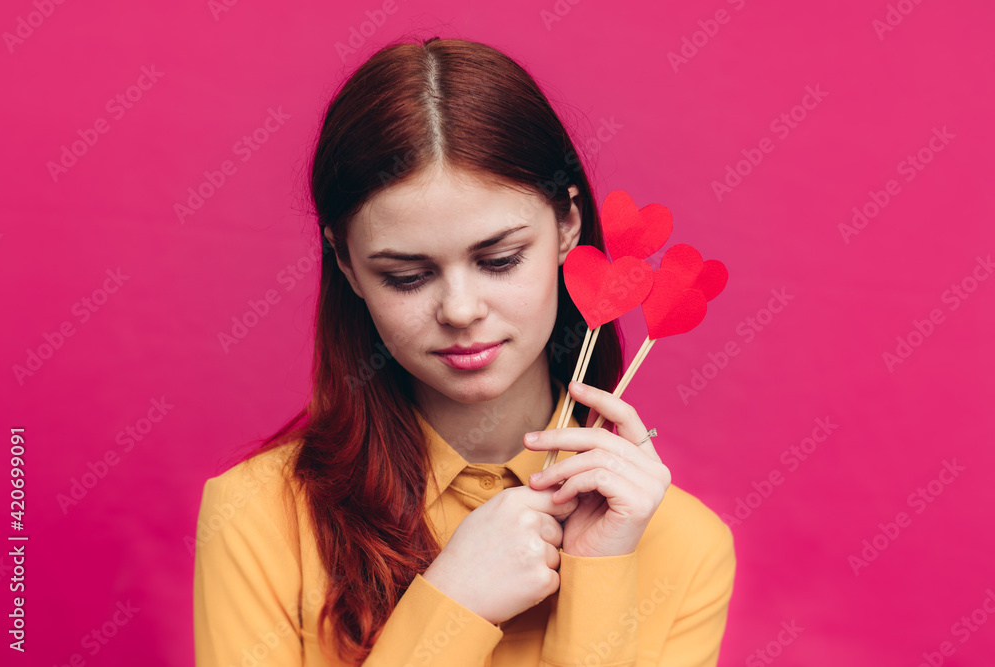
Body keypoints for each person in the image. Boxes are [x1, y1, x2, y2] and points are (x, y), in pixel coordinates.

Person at [192, 36, 735, 666]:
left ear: (567, 226)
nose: (459, 310)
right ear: (344, 261)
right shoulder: (257, 519)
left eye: (499, 260)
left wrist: (597, 575)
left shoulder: (684, 547)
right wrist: (452, 606)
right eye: (406, 275)